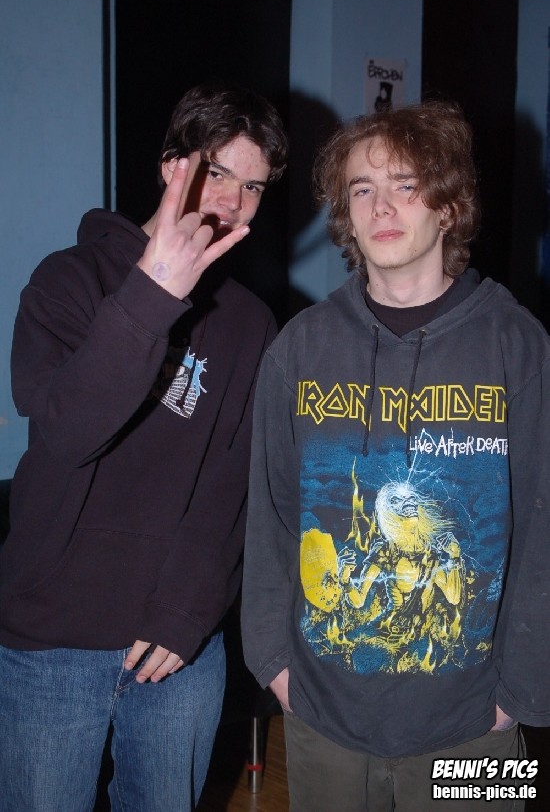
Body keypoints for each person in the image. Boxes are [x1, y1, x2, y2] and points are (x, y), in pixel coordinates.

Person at [241, 101, 550, 811]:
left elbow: (543, 530)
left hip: (478, 727)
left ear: (450, 206)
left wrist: (521, 694)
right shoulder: (299, 348)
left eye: (406, 185)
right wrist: (274, 663)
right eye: (362, 189)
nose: (381, 206)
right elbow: (271, 517)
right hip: (320, 718)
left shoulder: (521, 346)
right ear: (345, 216)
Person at [0, 82, 287, 811]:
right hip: (54, 635)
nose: (233, 201)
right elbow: (68, 433)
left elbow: (232, 484)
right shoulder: (69, 280)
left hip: (176, 646)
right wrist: (152, 296)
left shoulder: (251, 324)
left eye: (253, 186)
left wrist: (187, 613)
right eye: (218, 172)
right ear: (171, 165)